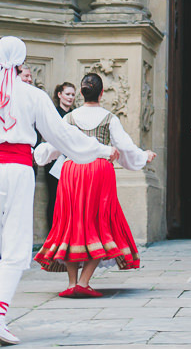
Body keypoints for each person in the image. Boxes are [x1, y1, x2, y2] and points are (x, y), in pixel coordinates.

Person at [0, 37, 118, 346]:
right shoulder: (32, 95)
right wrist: (101, 149)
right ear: (21, 63)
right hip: (17, 170)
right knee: (14, 247)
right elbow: (63, 136)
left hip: (16, 165)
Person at [34, 73, 156, 298]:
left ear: (81, 93)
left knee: (73, 223)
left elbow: (52, 147)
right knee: (100, 223)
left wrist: (39, 154)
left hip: (70, 170)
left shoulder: (69, 118)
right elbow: (125, 148)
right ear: (101, 93)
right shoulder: (109, 118)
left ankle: (72, 283)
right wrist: (144, 156)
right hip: (98, 171)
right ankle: (84, 281)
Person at [44, 82, 76, 229]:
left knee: (71, 199)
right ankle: (53, 233)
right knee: (54, 197)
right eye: (67, 94)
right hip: (55, 161)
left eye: (73, 95)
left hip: (71, 161)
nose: (70, 97)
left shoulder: (75, 115)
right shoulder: (53, 113)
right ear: (59, 95)